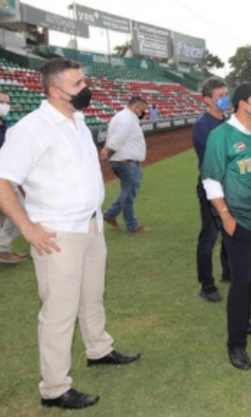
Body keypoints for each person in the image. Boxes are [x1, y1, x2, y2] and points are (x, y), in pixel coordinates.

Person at [0, 57, 139, 410]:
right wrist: (27, 227)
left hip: (90, 225)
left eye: (83, 81)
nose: (85, 88)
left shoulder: (77, 120)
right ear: (54, 91)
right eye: (77, 84)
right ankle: (54, 388)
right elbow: (3, 180)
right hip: (57, 234)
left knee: (93, 295)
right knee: (58, 312)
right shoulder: (30, 129)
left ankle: (99, 349)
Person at [201, 82, 251, 371]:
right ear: (243, 104)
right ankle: (236, 344)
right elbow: (210, 180)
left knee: (249, 277)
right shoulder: (221, 136)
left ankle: (244, 323)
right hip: (238, 221)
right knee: (242, 279)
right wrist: (226, 217)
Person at [192, 76, 231, 303]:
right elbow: (212, 161)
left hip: (231, 186)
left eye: (226, 95)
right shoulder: (202, 126)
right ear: (207, 100)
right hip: (211, 187)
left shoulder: (228, 121)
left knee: (230, 233)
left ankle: (229, 272)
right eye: (220, 96)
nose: (225, 99)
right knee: (209, 237)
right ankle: (206, 285)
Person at [100, 96, 150, 233]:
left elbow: (113, 137)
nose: (143, 113)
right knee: (129, 194)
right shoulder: (127, 119)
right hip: (126, 162)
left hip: (127, 162)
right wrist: (108, 152)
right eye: (143, 110)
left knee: (127, 192)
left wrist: (107, 151)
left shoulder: (123, 117)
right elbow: (117, 139)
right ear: (136, 108)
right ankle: (131, 225)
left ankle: (111, 215)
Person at [0, 89, 29, 263]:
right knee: (20, 212)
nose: (5, 106)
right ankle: (2, 247)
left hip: (7, 174)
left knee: (3, 216)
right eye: (1, 102)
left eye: (7, 102)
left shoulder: (5, 123)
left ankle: (3, 249)